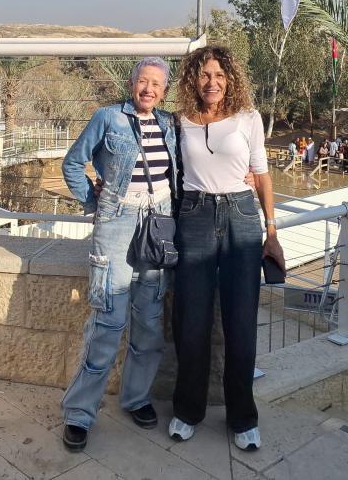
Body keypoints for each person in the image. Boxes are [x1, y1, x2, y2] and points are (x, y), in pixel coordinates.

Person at [169, 45, 285, 452]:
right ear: (193, 79)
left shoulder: (248, 118)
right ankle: (188, 410)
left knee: (241, 320)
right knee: (191, 319)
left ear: (230, 79)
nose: (212, 82)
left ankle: (242, 418)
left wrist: (271, 231)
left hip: (241, 216)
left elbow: (262, 175)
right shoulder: (179, 121)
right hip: (194, 215)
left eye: (219, 75)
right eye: (204, 74)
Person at [60, 57, 179, 451]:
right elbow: (73, 163)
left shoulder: (169, 124)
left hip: (158, 224)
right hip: (117, 225)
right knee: (108, 321)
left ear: (164, 91)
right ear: (132, 84)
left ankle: (136, 398)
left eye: (156, 84)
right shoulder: (108, 117)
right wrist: (95, 203)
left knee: (149, 320)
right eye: (143, 81)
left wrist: (246, 172)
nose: (149, 89)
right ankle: (79, 413)